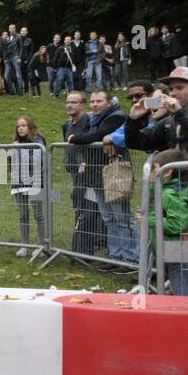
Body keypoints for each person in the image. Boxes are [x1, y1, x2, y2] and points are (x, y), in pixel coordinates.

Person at [68, 89, 135, 268]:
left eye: (99, 101)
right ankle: (115, 255)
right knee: (108, 217)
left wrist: (75, 138)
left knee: (122, 218)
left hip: (114, 174)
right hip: (97, 175)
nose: (95, 105)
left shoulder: (116, 117)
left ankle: (131, 257)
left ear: (109, 102)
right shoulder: (92, 119)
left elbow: (96, 136)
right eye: (92, 101)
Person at [61, 90, 104, 256]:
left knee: (92, 207)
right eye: (67, 102)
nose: (70, 105)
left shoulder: (89, 121)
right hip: (75, 172)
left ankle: (95, 242)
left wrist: (84, 161)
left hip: (91, 172)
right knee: (79, 204)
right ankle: (80, 244)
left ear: (82, 105)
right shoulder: (66, 125)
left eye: (74, 102)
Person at [146, 149, 188, 294]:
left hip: (177, 249)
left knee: (181, 287)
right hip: (176, 248)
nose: (150, 172)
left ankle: (184, 313)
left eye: (154, 167)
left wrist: (151, 219)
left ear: (167, 172)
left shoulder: (169, 194)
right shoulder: (166, 190)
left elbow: (178, 224)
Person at [10, 115, 47, 256]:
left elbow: (37, 161)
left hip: (34, 181)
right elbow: (11, 163)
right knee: (23, 215)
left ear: (30, 127)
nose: (20, 128)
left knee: (38, 214)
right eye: (18, 126)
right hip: (18, 182)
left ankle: (42, 246)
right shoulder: (15, 143)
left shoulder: (38, 140)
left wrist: (18, 150)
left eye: (23, 125)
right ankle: (24, 245)